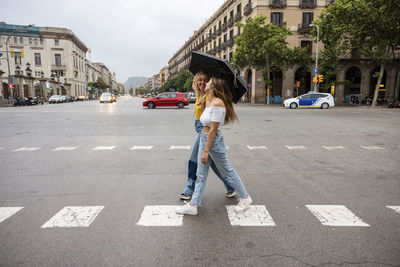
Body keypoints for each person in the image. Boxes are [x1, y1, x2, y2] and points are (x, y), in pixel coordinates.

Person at [176, 76, 252, 215]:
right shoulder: (209, 101)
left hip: (212, 142)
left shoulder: (218, 103)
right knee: (201, 174)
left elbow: (213, 129)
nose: (206, 82)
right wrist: (202, 102)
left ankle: (245, 197)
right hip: (205, 138)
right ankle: (193, 205)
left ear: (214, 86)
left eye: (209, 81)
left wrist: (205, 151)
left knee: (227, 171)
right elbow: (204, 121)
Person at [179, 71, 236, 200]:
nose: (202, 82)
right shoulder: (200, 94)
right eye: (200, 79)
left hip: (205, 130)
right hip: (200, 127)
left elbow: (209, 119)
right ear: (196, 81)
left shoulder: (209, 97)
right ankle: (231, 186)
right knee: (213, 163)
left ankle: (189, 189)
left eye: (205, 80)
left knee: (194, 159)